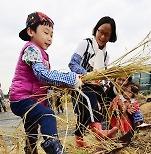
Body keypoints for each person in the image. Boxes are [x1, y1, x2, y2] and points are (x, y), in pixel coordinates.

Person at [9, 11, 82, 154]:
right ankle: (53, 147)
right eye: (46, 32)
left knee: (31, 130)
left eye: (51, 35)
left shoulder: (42, 54)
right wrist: (71, 78)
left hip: (33, 100)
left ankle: (31, 150)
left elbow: (46, 82)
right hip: (22, 98)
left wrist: (64, 86)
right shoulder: (31, 49)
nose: (49, 38)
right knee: (47, 115)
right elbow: (43, 74)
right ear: (31, 31)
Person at [68, 16, 118, 147]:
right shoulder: (85, 44)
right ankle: (98, 132)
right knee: (90, 100)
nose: (102, 36)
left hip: (95, 86)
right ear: (96, 30)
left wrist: (107, 80)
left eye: (107, 34)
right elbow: (72, 64)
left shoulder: (106, 55)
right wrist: (88, 74)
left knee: (101, 102)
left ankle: (80, 141)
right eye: (100, 31)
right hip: (79, 84)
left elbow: (103, 75)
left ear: (111, 36)